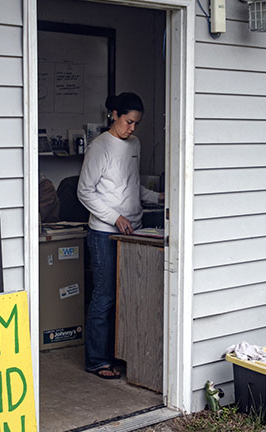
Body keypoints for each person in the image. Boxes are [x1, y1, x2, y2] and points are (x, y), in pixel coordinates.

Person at [77, 92, 163, 379]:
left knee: (128, 296)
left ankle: (121, 354)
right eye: (128, 122)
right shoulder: (100, 147)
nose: (132, 128)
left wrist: (159, 196)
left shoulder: (134, 144)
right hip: (104, 234)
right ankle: (97, 360)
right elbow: (84, 191)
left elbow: (132, 186)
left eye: (137, 123)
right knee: (105, 296)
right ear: (114, 114)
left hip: (134, 230)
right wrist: (115, 217)